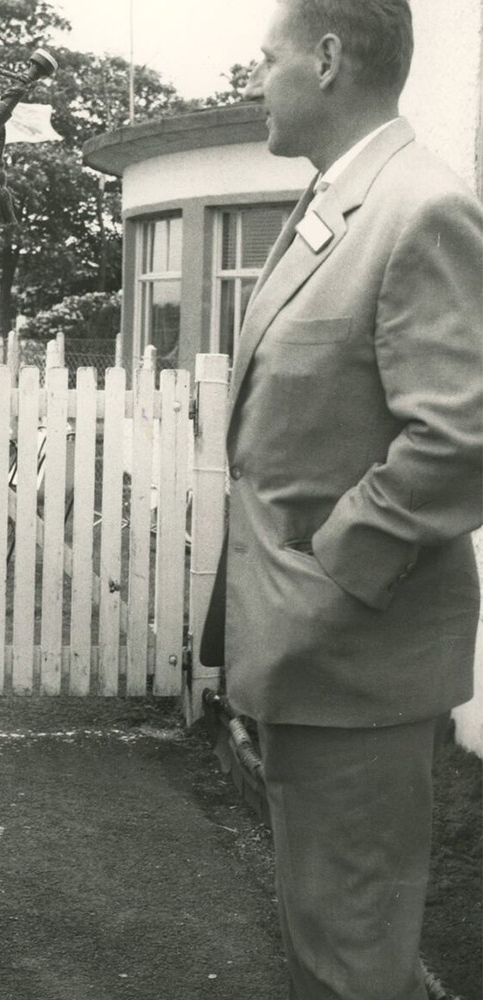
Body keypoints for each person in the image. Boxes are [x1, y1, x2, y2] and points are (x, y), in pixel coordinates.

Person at [203, 1, 483, 996]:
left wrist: (327, 578)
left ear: (325, 60)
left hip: (353, 658)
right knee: (336, 945)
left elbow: (458, 438)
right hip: (311, 661)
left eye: (264, 57)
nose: (254, 79)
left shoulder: (419, 207)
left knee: (349, 960)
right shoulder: (338, 200)